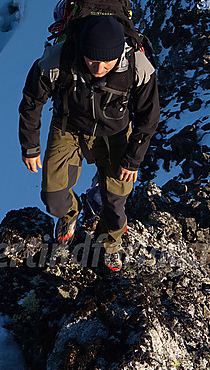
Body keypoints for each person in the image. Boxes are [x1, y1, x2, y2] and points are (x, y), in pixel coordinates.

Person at [19, 14, 159, 271]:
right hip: (69, 127)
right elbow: (31, 102)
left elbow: (148, 118)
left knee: (116, 200)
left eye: (107, 62)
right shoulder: (58, 58)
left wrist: (132, 159)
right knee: (54, 196)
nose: (98, 69)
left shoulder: (138, 66)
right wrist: (30, 145)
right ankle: (71, 213)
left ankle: (111, 244)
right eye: (92, 61)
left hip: (115, 134)